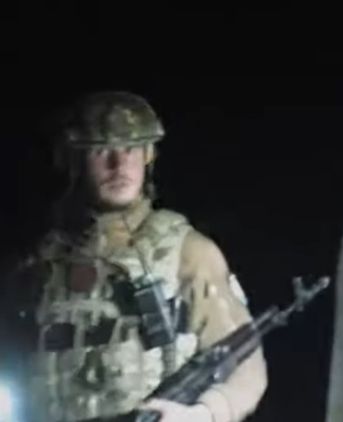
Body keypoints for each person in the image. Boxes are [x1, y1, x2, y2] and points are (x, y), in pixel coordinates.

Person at [0, 91, 267, 421]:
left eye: (131, 149)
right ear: (73, 159)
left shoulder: (186, 252)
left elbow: (246, 363)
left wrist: (204, 413)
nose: (119, 164)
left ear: (148, 155)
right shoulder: (35, 265)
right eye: (101, 150)